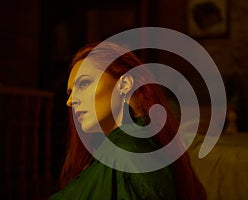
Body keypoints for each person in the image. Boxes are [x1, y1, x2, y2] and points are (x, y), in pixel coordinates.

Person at [49, 41, 206, 200]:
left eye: (84, 83)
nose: (70, 101)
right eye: (70, 92)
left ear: (124, 84)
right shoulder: (118, 151)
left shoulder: (129, 153)